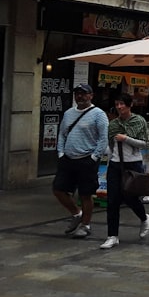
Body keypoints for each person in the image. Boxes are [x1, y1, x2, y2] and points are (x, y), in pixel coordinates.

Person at [53, 83, 109, 240]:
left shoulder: (98, 114)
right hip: (68, 159)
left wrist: (94, 157)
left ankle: (86, 225)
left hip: (87, 159)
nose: (80, 96)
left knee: (86, 194)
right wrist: (61, 153)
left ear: (91, 96)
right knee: (58, 189)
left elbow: (103, 138)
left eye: (84, 93)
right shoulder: (69, 113)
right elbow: (62, 134)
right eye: (77, 93)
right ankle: (76, 213)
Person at [100, 93, 149, 249]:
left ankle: (144, 218)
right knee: (112, 200)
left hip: (133, 164)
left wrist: (126, 139)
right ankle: (112, 235)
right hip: (115, 164)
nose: (119, 107)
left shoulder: (139, 121)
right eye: (117, 104)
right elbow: (109, 144)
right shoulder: (113, 124)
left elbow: (144, 144)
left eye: (122, 104)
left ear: (130, 105)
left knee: (130, 198)